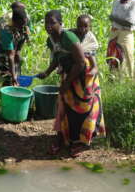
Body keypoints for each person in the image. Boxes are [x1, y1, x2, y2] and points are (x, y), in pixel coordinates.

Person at [38, 10, 106, 157]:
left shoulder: (68, 37)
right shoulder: (51, 39)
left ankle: (83, 143)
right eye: (46, 22)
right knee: (65, 107)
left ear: (60, 23)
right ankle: (63, 138)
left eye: (52, 22)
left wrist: (67, 84)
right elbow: (57, 57)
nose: (48, 26)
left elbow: (81, 62)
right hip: (69, 75)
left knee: (85, 109)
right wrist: (47, 72)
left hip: (84, 76)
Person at [0, 8, 28, 86]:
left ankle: (16, 82)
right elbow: (10, 56)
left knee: (17, 62)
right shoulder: (5, 28)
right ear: (14, 23)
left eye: (23, 25)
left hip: (13, 35)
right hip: (0, 41)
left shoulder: (25, 20)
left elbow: (24, 35)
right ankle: (6, 86)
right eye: (20, 26)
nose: (22, 27)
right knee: (3, 65)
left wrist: (18, 50)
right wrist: (13, 76)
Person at [108, 0, 135, 78]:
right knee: (112, 54)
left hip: (126, 33)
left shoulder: (134, 3)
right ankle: (112, 77)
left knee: (125, 55)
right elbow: (113, 17)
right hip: (114, 31)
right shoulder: (116, 2)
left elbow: (129, 22)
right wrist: (118, 20)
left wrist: (114, 18)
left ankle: (126, 79)